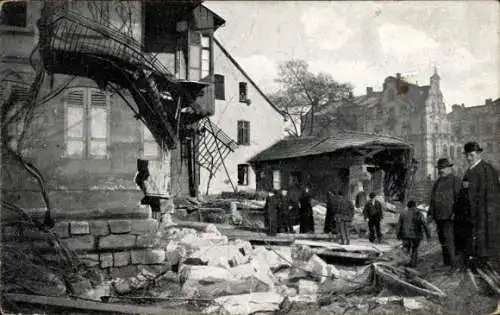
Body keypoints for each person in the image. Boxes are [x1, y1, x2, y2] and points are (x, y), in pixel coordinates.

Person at [457, 141, 500, 269]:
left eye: (472, 155)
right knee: (474, 235)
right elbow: (464, 190)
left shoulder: (487, 169)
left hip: (484, 210)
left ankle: (486, 260)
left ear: (478, 154)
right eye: (467, 155)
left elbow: (492, 193)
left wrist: (489, 211)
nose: (469, 158)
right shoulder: (469, 171)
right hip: (471, 211)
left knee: (485, 234)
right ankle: (478, 258)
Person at [427, 158, 461, 269]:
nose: (441, 170)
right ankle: (446, 263)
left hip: (449, 217)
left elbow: (459, 199)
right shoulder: (437, 182)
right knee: (442, 240)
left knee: (449, 240)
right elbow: (432, 199)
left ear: (449, 168)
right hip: (438, 216)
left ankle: (454, 265)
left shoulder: (455, 181)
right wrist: (430, 213)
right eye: (439, 168)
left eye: (443, 168)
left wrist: (455, 212)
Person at [397, 200, 431, 268]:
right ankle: (413, 264)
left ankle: (405, 263)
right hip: (416, 235)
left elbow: (399, 225)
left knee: (406, 248)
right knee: (415, 249)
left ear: (407, 206)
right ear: (415, 206)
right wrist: (428, 235)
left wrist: (398, 234)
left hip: (405, 235)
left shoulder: (403, 213)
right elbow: (425, 225)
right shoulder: (419, 213)